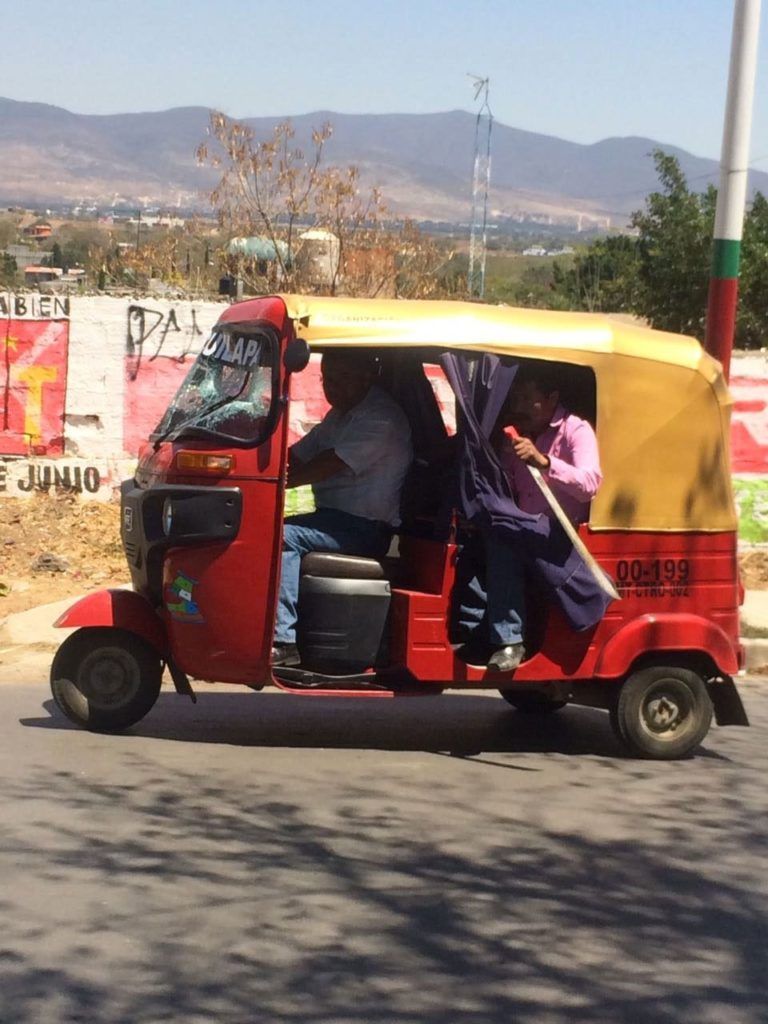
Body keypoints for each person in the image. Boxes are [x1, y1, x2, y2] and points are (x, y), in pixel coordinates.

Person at [272, 350, 412, 666]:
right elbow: (300, 454)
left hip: (363, 528)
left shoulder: (380, 417)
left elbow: (328, 464)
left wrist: (279, 483)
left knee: (283, 536)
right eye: (327, 379)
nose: (332, 387)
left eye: (342, 379)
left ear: (367, 375)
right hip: (332, 520)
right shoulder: (341, 415)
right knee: (266, 526)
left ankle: (283, 640)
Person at [464, 361, 602, 672]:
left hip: (561, 536)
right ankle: (475, 627)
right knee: (471, 540)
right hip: (526, 528)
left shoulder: (575, 430)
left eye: (528, 399)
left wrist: (544, 462)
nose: (520, 407)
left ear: (552, 399)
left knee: (505, 543)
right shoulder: (518, 434)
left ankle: (509, 639)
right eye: (516, 400)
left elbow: (590, 484)